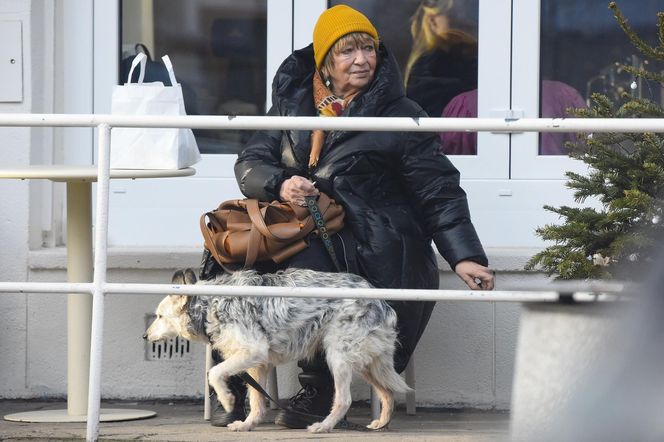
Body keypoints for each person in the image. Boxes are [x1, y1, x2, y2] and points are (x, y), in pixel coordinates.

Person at [200, 4, 494, 429]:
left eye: (368, 49)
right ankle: (241, 385)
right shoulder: (292, 103)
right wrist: (280, 183)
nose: (361, 60)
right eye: (347, 51)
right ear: (324, 60)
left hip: (372, 237)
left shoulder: (400, 114)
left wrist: (464, 256)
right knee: (228, 262)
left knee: (310, 270)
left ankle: (317, 386)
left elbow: (438, 190)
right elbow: (251, 161)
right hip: (297, 225)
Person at [404, 0, 478, 119]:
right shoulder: (431, 65)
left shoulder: (470, 57)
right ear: (433, 21)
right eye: (453, 16)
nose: (464, 21)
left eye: (467, 15)